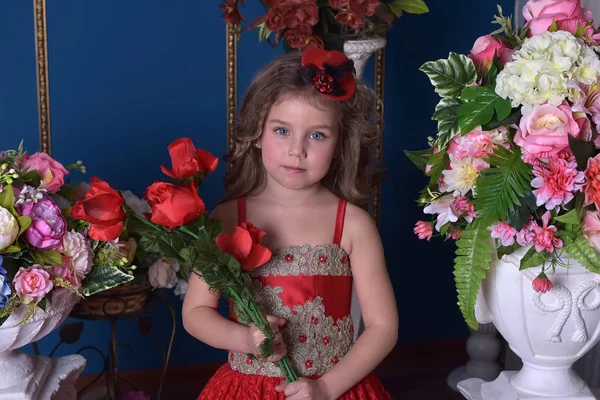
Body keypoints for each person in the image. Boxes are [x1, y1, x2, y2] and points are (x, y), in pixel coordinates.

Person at [182, 48, 398, 400]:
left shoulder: (353, 225)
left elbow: (383, 327)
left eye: (317, 135)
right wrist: (245, 339)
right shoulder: (227, 219)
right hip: (246, 387)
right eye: (282, 130)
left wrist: (327, 387)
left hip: (332, 387)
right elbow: (196, 312)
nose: (297, 150)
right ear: (257, 131)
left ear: (340, 143)